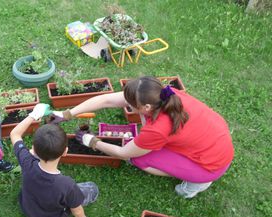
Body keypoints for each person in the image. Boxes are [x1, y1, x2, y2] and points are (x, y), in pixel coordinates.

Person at [52, 76, 234, 199]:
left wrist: (92, 141)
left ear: (146, 107)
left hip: (210, 164)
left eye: (130, 105)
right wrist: (68, 113)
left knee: (138, 158)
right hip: (216, 138)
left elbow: (123, 153)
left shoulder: (157, 129)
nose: (126, 105)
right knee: (143, 146)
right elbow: (106, 100)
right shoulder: (163, 95)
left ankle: (197, 182)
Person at [10, 103, 98, 217]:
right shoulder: (66, 185)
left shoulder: (26, 161)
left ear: (33, 148)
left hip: (27, 209)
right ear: (65, 152)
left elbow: (15, 134)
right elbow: (77, 210)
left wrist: (34, 115)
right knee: (91, 188)